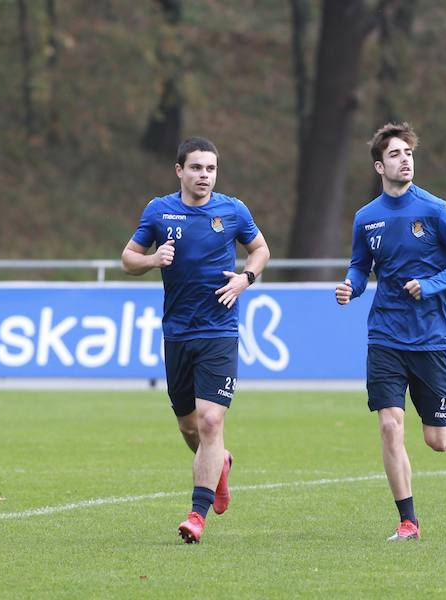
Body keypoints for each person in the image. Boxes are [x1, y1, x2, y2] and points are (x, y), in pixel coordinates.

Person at [335, 122, 446, 542]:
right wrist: (352, 286)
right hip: (384, 336)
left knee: (433, 437)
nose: (405, 160)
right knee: (389, 424)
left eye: (409, 154)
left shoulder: (435, 209)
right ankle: (408, 521)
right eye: (396, 155)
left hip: (429, 337)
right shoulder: (367, 217)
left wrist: (432, 284)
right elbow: (362, 265)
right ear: (380, 165)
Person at [122, 137, 270, 543]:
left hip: (219, 331)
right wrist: (153, 260)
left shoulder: (233, 210)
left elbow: (260, 250)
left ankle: (196, 515)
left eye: (211, 169)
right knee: (190, 427)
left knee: (210, 420)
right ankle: (218, 463)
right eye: (197, 168)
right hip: (177, 333)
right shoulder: (159, 210)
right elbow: (127, 258)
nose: (204, 175)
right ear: (179, 171)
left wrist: (246, 279)